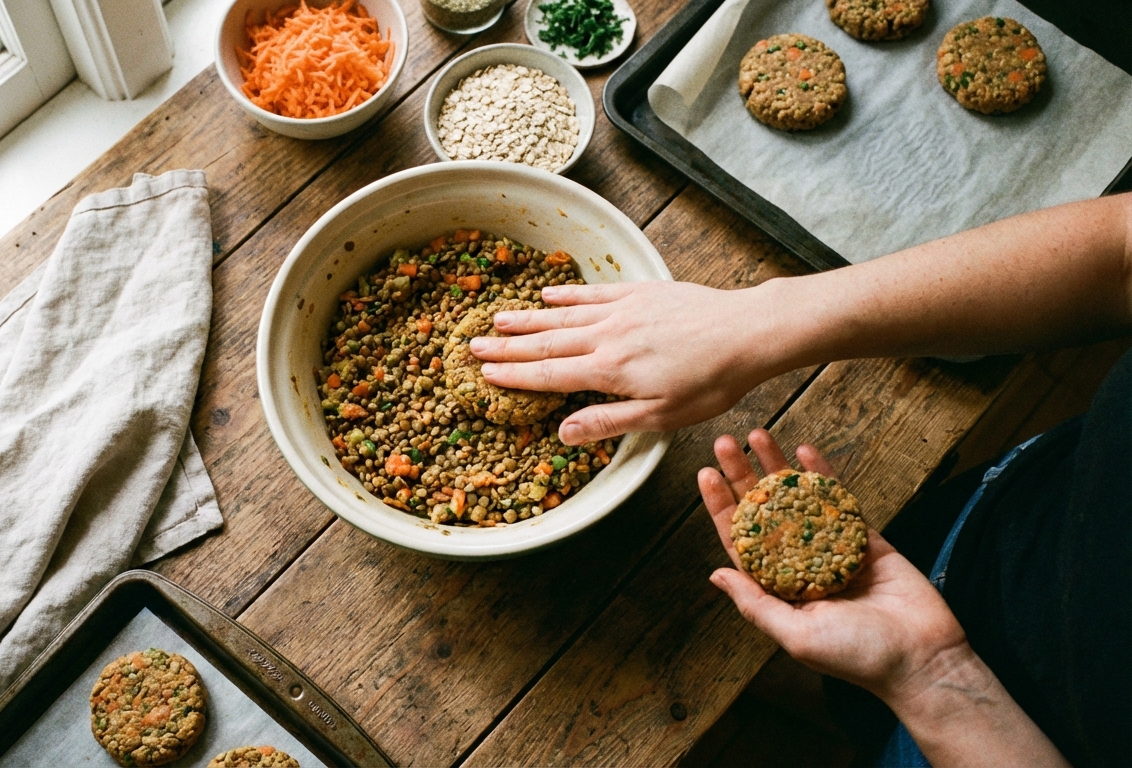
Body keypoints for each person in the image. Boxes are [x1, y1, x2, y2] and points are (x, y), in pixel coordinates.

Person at [468, 192, 1132, 766]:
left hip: (1000, 741)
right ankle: (834, 699)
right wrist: (764, 316)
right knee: (848, 671)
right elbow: (1121, 254)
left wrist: (932, 683)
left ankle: (850, 714)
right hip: (1012, 514)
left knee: (867, 724)